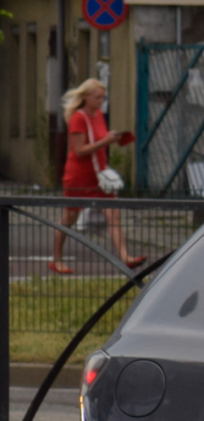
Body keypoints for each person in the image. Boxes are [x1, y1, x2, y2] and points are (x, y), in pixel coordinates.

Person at [53, 77, 142, 274]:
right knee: (70, 216)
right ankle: (57, 259)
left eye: (103, 97)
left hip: (100, 174)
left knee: (113, 214)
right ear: (85, 97)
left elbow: (99, 138)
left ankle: (125, 256)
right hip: (80, 174)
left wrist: (114, 138)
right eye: (97, 97)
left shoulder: (98, 114)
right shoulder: (78, 118)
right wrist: (106, 141)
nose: (101, 101)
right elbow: (80, 150)